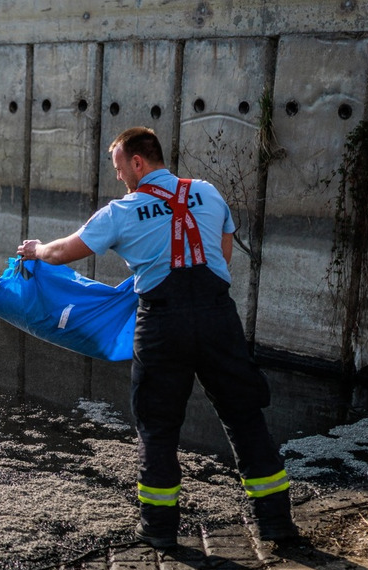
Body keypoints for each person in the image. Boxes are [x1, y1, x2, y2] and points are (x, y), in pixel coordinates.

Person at [17, 126, 298, 548]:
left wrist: (35, 250)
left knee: (158, 426)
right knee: (245, 418)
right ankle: (276, 525)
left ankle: (159, 530)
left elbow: (63, 252)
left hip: (162, 326)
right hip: (219, 318)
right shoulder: (208, 192)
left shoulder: (121, 212)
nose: (118, 178)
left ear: (137, 162)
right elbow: (222, 256)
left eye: (119, 168)